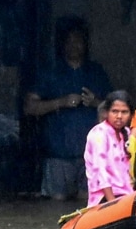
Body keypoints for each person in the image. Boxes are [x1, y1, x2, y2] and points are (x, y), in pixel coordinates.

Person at [25, 18, 112, 200]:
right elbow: (30, 107)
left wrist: (95, 102)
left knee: (89, 205)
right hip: (58, 154)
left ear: (85, 44)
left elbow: (117, 109)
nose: (74, 46)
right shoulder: (50, 71)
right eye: (69, 41)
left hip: (91, 156)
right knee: (55, 206)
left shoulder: (96, 72)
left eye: (78, 41)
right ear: (62, 44)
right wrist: (60, 102)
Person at [84, 90, 134, 207]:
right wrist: (112, 203)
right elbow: (100, 171)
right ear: (106, 112)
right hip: (105, 198)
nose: (119, 116)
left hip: (126, 194)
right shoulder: (99, 133)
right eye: (114, 111)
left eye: (124, 112)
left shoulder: (126, 133)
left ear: (131, 114)